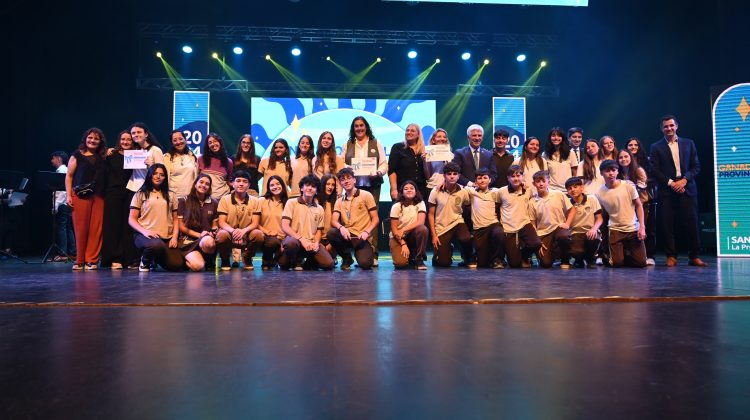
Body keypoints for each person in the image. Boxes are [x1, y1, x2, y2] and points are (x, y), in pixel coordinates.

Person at [649, 115, 706, 267]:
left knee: (692, 223)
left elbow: (696, 167)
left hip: (687, 187)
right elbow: (654, 170)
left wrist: (684, 180)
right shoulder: (656, 147)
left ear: (676, 126)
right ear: (661, 129)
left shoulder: (689, 143)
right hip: (667, 190)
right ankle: (671, 256)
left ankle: (694, 256)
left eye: (671, 125)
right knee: (668, 224)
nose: (669, 128)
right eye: (666, 126)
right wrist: (671, 183)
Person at [341, 116, 387, 266]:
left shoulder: (376, 143)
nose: (359, 128)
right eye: (356, 126)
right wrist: (346, 168)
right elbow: (341, 162)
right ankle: (357, 250)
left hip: (372, 185)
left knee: (372, 217)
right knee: (353, 218)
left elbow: (383, 163)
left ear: (366, 127)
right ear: (353, 129)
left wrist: (379, 172)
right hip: (353, 187)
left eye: (361, 125)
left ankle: (373, 253)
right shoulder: (348, 144)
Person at [65, 127, 107, 270]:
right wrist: (68, 194)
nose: (93, 140)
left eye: (96, 138)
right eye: (90, 137)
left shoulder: (104, 156)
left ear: (100, 141)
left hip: (99, 196)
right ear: (85, 139)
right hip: (80, 196)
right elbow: (69, 176)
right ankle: (79, 260)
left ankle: (92, 260)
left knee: (96, 229)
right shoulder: (77, 155)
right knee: (80, 228)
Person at [128, 163, 182, 272]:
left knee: (177, 265)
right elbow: (131, 219)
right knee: (156, 244)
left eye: (162, 174)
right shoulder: (140, 194)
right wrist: (145, 232)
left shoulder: (171, 195)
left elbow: (176, 219)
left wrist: (175, 237)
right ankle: (145, 261)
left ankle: (155, 259)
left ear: (165, 177)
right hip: (145, 236)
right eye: (155, 173)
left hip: (166, 237)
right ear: (150, 175)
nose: (158, 176)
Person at [595, 160, 647, 268]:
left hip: (633, 228)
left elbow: (638, 205)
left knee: (641, 263)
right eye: (607, 171)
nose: (611, 173)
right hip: (615, 229)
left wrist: (642, 227)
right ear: (601, 173)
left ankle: (626, 253)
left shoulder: (628, 186)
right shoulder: (599, 193)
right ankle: (611, 255)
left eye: (613, 170)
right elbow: (601, 214)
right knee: (617, 263)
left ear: (617, 172)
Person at [327, 167, 379, 270]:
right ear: (340, 183)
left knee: (365, 264)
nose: (346, 181)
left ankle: (361, 254)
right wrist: (341, 228)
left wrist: (366, 232)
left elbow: (375, 219)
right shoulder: (339, 201)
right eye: (343, 179)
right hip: (347, 236)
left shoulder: (366, 195)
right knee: (332, 233)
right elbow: (333, 221)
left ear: (354, 180)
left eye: (348, 178)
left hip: (362, 237)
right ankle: (347, 258)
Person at [279, 174, 335, 271]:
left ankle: (308, 261)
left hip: (310, 243)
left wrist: (317, 242)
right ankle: (295, 261)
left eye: (313, 186)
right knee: (289, 248)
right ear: (301, 188)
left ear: (317, 190)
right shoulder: (291, 202)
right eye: (307, 185)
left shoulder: (319, 208)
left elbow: (319, 231)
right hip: (295, 241)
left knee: (329, 264)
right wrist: (302, 239)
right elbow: (285, 226)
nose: (310, 188)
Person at [492, 165, 542, 268]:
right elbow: (496, 207)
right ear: (508, 178)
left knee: (536, 243)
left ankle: (525, 256)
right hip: (509, 227)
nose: (516, 179)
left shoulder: (528, 190)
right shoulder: (501, 191)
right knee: (515, 264)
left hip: (524, 223)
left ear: (522, 177)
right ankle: (514, 256)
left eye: (518, 175)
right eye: (513, 176)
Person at [101, 131, 137, 269]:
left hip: (130, 193)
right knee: (113, 226)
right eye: (123, 139)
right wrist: (105, 154)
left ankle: (128, 259)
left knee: (127, 227)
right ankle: (115, 258)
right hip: (113, 193)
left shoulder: (136, 155)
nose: (126, 142)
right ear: (119, 140)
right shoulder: (111, 155)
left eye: (129, 139)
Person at [215, 170, 264, 270]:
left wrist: (243, 231)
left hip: (246, 234)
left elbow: (255, 223)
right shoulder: (225, 199)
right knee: (221, 235)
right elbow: (222, 222)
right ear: (232, 183)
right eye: (238, 181)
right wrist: (233, 231)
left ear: (249, 185)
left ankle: (247, 257)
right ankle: (225, 260)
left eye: (245, 181)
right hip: (229, 233)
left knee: (259, 235)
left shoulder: (255, 201)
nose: (241, 184)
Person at [427, 162, 473, 268]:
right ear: (444, 176)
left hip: (457, 222)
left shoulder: (463, 191)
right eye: (449, 174)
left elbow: (468, 205)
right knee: (443, 263)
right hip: (442, 227)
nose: (452, 176)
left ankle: (467, 257)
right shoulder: (436, 191)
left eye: (454, 174)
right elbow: (430, 214)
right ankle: (446, 249)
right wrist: (434, 235)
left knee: (466, 238)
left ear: (458, 176)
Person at [528, 171, 574, 268]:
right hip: (543, 232)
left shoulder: (558, 194)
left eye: (543, 181)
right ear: (534, 184)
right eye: (538, 181)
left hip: (558, 228)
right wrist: (537, 240)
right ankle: (552, 256)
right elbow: (533, 223)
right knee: (546, 263)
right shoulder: (532, 201)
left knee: (564, 236)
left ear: (548, 182)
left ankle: (565, 260)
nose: (541, 184)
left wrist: (567, 224)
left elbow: (572, 209)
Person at [177, 173, 218, 272]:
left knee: (208, 241)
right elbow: (181, 227)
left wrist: (214, 231)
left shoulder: (213, 202)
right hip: (188, 240)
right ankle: (189, 260)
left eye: (207, 184)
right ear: (195, 184)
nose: (204, 185)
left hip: (205, 240)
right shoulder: (183, 201)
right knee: (198, 266)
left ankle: (208, 259)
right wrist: (200, 235)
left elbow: (214, 225)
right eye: (201, 182)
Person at [626, 137, 656, 265]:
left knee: (648, 228)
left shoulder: (647, 162)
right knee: (630, 229)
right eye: (630, 145)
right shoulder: (623, 162)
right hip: (628, 202)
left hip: (645, 200)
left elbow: (654, 179)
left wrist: (640, 186)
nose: (633, 147)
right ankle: (631, 255)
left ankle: (650, 255)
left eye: (635, 145)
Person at [467, 169, 506, 268]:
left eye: (485, 178)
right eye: (479, 178)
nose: (482, 180)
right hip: (479, 229)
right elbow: (456, 185)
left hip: (493, 224)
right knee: (482, 263)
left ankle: (498, 259)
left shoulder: (496, 192)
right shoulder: (471, 192)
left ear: (490, 180)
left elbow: (509, 189)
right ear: (475, 181)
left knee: (499, 232)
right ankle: (486, 257)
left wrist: (523, 185)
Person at [565, 176, 604, 268]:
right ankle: (579, 259)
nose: (573, 190)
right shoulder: (567, 203)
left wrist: (594, 229)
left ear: (582, 188)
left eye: (575, 187)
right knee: (576, 251)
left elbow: (599, 218)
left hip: (589, 231)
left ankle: (590, 259)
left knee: (593, 238)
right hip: (575, 233)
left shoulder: (591, 199)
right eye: (569, 188)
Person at [389, 180, 428, 270]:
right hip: (398, 237)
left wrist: (403, 230)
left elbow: (420, 222)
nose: (409, 190)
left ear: (416, 191)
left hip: (412, 235)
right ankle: (409, 257)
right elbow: (395, 230)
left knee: (422, 229)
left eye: (411, 188)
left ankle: (419, 259)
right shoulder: (396, 206)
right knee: (400, 264)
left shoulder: (420, 203)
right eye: (406, 189)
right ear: (402, 192)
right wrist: (403, 243)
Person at [388, 123, 428, 201]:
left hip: (420, 191)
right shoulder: (397, 147)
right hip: (402, 190)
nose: (409, 132)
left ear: (418, 134)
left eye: (412, 131)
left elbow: (426, 175)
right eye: (407, 130)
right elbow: (391, 171)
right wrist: (393, 189)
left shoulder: (424, 151)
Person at [257, 175, 288, 270]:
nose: (275, 187)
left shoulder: (288, 203)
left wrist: (285, 241)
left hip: (283, 238)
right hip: (267, 237)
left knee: (284, 265)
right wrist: (268, 232)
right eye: (272, 185)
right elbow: (256, 223)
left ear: (282, 185)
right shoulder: (262, 201)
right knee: (272, 242)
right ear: (268, 188)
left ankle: (277, 258)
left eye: (278, 184)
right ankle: (266, 259)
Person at [50, 150, 75, 262]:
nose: (52, 161)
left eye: (53, 158)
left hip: (62, 204)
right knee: (68, 228)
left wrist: (55, 206)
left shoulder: (61, 171)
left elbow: (61, 192)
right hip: (67, 204)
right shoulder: (66, 170)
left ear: (59, 159)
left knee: (62, 229)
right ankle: (73, 252)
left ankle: (63, 254)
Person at [126, 122, 163, 194]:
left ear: (146, 134)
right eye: (133, 133)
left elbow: (162, 172)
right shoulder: (135, 150)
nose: (136, 135)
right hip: (134, 188)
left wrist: (152, 166)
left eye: (139, 132)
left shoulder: (155, 150)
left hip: (150, 189)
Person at [164, 129, 199, 198]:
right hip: (173, 198)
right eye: (175, 140)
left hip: (190, 198)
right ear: (172, 143)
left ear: (185, 140)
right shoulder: (167, 157)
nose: (178, 142)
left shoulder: (192, 156)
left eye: (180, 139)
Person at [199, 133, 234, 200]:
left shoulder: (228, 162)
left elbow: (228, 181)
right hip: (205, 199)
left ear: (220, 142)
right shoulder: (201, 159)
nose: (213, 144)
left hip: (222, 199)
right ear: (207, 146)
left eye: (215, 141)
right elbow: (196, 180)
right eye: (210, 142)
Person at [543, 127, 578, 191]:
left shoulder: (570, 152)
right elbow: (545, 173)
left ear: (562, 138)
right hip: (551, 189)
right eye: (553, 135)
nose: (556, 138)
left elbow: (575, 172)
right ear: (550, 138)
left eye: (559, 136)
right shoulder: (545, 154)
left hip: (567, 189)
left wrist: (573, 187)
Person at [316, 173, 339, 261]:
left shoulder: (336, 202)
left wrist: (331, 244)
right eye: (328, 184)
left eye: (333, 185)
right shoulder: (315, 201)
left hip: (331, 241)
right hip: (317, 240)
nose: (330, 187)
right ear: (322, 185)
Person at [424, 128, 452, 195]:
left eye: (444, 137)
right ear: (433, 140)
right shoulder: (429, 154)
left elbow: (453, 174)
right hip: (432, 186)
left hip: (447, 187)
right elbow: (428, 176)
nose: (442, 139)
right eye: (439, 136)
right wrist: (424, 161)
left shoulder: (451, 155)